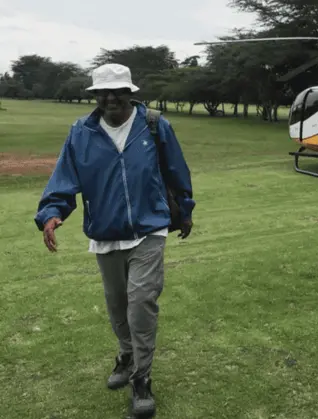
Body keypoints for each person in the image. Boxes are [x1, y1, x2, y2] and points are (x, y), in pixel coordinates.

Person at [34, 63, 195, 417]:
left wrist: (184, 209)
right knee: (117, 306)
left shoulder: (153, 126)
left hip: (149, 230)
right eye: (102, 93)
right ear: (95, 96)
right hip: (106, 233)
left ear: (130, 93)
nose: (110, 99)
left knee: (141, 303)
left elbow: (175, 169)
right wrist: (52, 213)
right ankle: (125, 354)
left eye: (117, 92)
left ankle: (141, 379)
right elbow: (65, 178)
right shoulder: (81, 132)